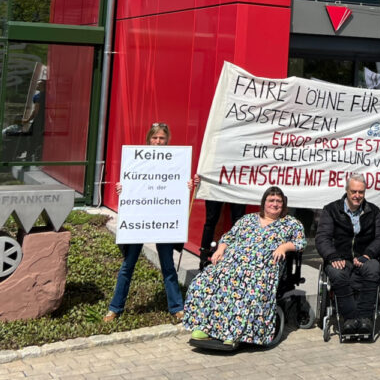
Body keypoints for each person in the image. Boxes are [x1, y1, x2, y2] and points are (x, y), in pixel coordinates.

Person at [184, 186, 305, 351]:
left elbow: (300, 242)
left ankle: (233, 333)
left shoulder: (291, 223)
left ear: (284, 205)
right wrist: (220, 249)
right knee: (205, 281)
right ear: (264, 203)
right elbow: (228, 237)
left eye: (279, 201)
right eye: (271, 200)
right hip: (232, 263)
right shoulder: (247, 219)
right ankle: (204, 327)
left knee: (245, 286)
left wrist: (284, 247)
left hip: (262, 267)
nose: (275, 204)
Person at [105, 122, 187, 322]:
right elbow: (130, 183)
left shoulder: (175, 163)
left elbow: (178, 186)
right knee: (128, 265)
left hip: (164, 220)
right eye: (155, 138)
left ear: (167, 141)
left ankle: (177, 307)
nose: (158, 141)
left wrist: (187, 185)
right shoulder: (135, 161)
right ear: (148, 139)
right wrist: (122, 189)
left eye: (161, 138)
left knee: (168, 265)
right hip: (139, 220)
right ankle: (115, 308)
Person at [316, 175, 380, 333]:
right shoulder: (331, 210)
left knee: (373, 269)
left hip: (365, 257)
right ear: (346, 191)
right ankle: (349, 318)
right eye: (353, 191)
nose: (357, 196)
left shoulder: (373, 211)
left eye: (361, 192)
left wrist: (368, 254)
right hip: (340, 258)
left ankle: (365, 319)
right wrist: (332, 256)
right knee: (337, 273)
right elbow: (322, 238)